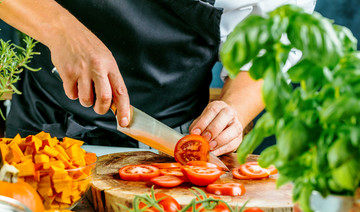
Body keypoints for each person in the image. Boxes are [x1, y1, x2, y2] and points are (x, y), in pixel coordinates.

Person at [0, 0, 315, 156]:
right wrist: (61, 30)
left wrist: (233, 111)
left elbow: (268, 44)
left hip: (167, 147)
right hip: (43, 135)